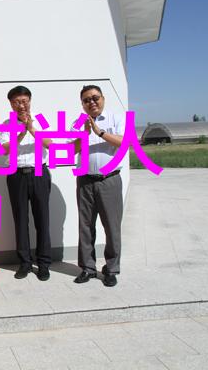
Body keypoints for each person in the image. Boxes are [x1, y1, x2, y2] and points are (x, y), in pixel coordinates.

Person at [71, 85, 124, 287]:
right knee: (85, 226)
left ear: (103, 98)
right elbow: (70, 150)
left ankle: (111, 269)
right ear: (82, 104)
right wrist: (84, 134)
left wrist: (99, 132)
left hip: (109, 180)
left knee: (112, 227)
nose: (91, 102)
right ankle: (88, 268)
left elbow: (125, 142)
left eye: (95, 98)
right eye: (86, 100)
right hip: (85, 181)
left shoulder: (115, 119)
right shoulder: (77, 123)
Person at [0, 86, 52, 280]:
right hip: (16, 174)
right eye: (16, 102)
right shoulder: (6, 124)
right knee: (20, 220)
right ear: (11, 104)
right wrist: (21, 133)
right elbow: (4, 149)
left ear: (29, 101)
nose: (21, 105)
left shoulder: (41, 119)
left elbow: (50, 144)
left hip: (39, 172)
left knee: (42, 219)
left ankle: (44, 264)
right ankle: (25, 263)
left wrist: (32, 129)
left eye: (24, 101)